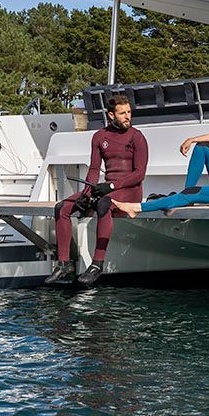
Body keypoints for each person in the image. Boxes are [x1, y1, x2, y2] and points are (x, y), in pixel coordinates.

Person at [45, 97, 148, 286]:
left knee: (103, 203)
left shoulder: (137, 137)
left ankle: (97, 264)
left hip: (130, 191)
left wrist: (110, 187)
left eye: (129, 112)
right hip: (108, 189)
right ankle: (63, 264)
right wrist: (87, 193)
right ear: (111, 115)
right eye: (122, 113)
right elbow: (93, 169)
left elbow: (139, 174)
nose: (127, 117)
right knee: (62, 207)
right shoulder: (100, 136)